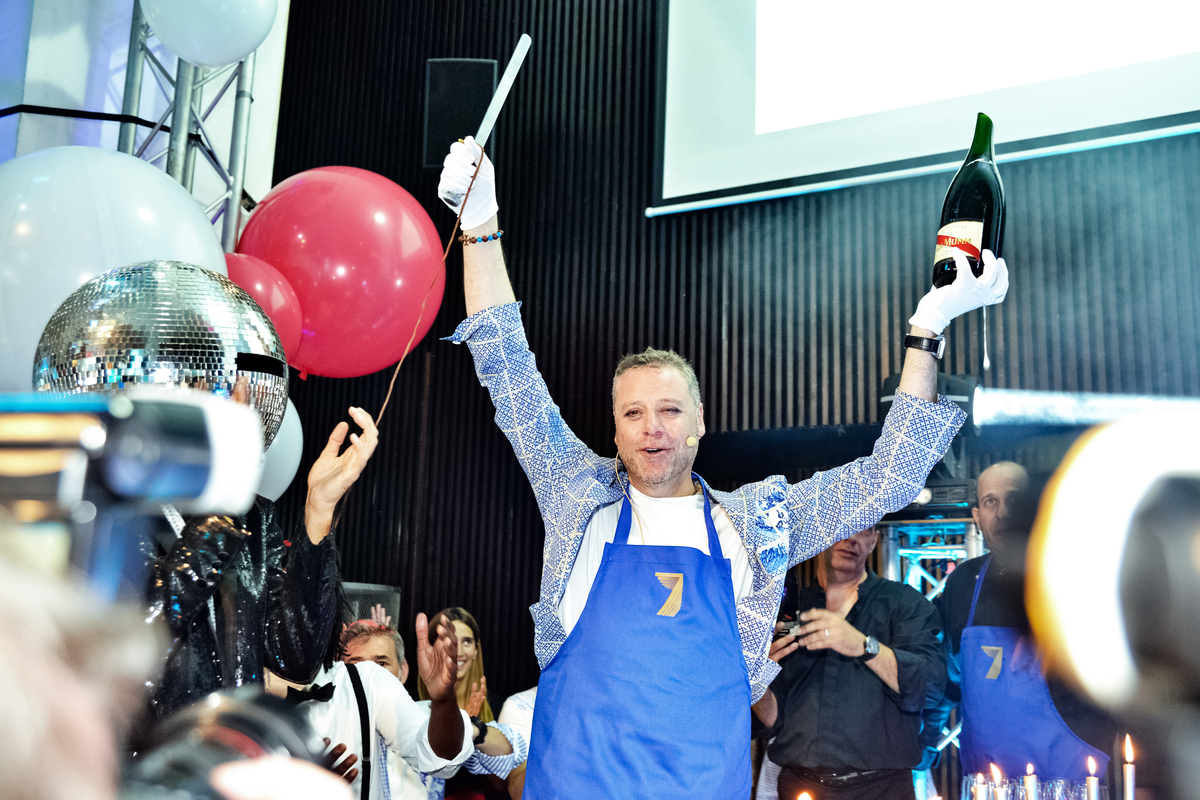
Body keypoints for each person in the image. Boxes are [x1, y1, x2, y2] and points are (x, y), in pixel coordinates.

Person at [438, 136, 1006, 798]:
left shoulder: (759, 523)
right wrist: (480, 226)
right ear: (614, 431)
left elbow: (893, 474)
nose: (652, 427)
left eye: (669, 410)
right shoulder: (575, 496)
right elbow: (507, 366)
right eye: (633, 414)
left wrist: (929, 322)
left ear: (700, 421)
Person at [145, 396, 380, 718]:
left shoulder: (253, 514)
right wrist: (224, 502)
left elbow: (296, 658)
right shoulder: (112, 500)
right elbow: (143, 623)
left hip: (231, 739)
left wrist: (318, 510)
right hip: (144, 744)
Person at [926, 462, 1117, 785]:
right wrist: (927, 742)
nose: (1002, 513)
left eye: (1013, 500)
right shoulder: (962, 583)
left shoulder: (1082, 578)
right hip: (987, 783)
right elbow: (948, 681)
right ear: (976, 517)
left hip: (1069, 782)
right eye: (990, 502)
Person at [752, 525, 947, 799]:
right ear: (820, 532)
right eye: (842, 525)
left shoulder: (904, 604)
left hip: (883, 791)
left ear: (874, 540)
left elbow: (931, 687)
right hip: (801, 788)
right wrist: (757, 681)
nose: (851, 537)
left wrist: (862, 645)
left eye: (864, 528)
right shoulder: (791, 613)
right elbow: (774, 719)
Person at [342, 619, 527, 799]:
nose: (370, 676)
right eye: (355, 665)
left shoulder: (428, 718)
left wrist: (466, 727)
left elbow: (512, 752)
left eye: (381, 664)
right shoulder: (327, 722)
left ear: (402, 672)